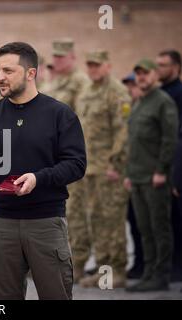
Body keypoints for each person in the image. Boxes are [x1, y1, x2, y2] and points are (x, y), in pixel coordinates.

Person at [0, 42, 86, 300]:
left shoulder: (59, 114)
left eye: (8, 71)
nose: (0, 77)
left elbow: (76, 164)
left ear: (31, 73)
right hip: (2, 225)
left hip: (45, 224)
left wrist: (38, 178)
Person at [73, 50, 131, 288]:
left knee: (112, 220)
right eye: (90, 65)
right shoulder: (86, 92)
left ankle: (117, 270)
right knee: (95, 219)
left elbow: (123, 131)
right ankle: (103, 268)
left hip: (109, 169)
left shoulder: (117, 93)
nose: (93, 69)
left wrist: (116, 163)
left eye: (97, 65)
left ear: (108, 66)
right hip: (89, 168)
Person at [124, 59, 179, 292]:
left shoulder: (163, 102)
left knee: (159, 228)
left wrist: (161, 170)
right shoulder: (139, 102)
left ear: (155, 75)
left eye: (146, 73)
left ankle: (161, 275)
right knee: (144, 228)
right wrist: (128, 173)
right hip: (136, 176)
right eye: (139, 74)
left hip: (154, 178)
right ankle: (148, 273)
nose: (142, 77)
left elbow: (170, 139)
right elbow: (133, 142)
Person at [41, 38, 89, 282]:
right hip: (51, 159)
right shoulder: (55, 82)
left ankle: (77, 264)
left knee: (77, 214)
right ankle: (52, 262)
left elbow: (81, 121)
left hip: (69, 157)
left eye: (62, 57)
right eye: (55, 56)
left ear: (72, 57)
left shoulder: (81, 83)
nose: (57, 61)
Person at [156, 49, 182, 281]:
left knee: (175, 219)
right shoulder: (159, 93)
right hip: (157, 164)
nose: (159, 70)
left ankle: (176, 266)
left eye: (163, 65)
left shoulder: (178, 93)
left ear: (176, 67)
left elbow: (174, 135)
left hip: (173, 163)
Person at [121, 73, 145, 280]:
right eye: (129, 86)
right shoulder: (132, 109)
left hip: (146, 174)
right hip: (130, 172)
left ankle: (146, 265)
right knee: (134, 220)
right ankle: (139, 262)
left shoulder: (144, 108)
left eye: (133, 85)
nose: (131, 90)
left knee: (145, 222)